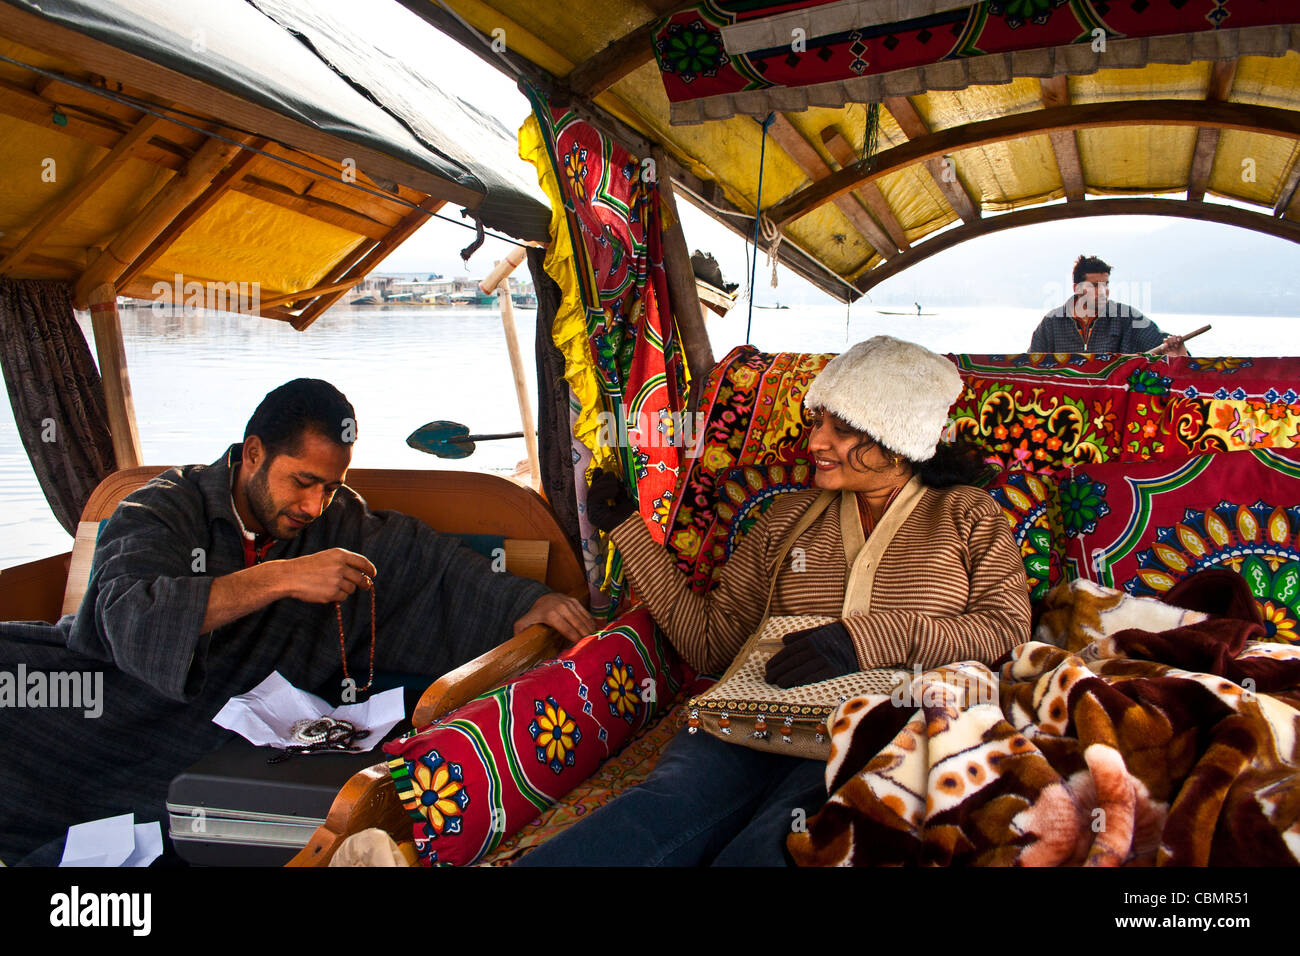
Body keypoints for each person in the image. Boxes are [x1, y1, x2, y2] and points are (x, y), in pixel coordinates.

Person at [0, 379, 593, 864]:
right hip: (116, 699)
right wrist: (282, 577)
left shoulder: (337, 522)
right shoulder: (162, 507)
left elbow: (431, 566)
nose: (313, 507)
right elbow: (129, 615)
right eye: (302, 481)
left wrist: (526, 602)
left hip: (219, 732)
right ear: (253, 452)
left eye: (331, 488)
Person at [516, 336, 1031, 867]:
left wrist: (863, 638)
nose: (816, 443)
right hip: (752, 719)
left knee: (771, 844)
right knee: (658, 809)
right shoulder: (784, 519)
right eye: (817, 423)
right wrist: (628, 528)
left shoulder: (967, 516)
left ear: (896, 437)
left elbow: (1006, 627)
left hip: (873, 731)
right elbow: (713, 647)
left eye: (842, 429)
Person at [1029, 255, 1189, 356]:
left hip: (1114, 405)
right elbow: (1030, 366)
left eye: (1106, 285)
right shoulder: (1051, 322)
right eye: (1095, 285)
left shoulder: (1127, 318)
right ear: (1076, 288)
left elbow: (1164, 347)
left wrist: (1176, 348)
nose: (1103, 291)